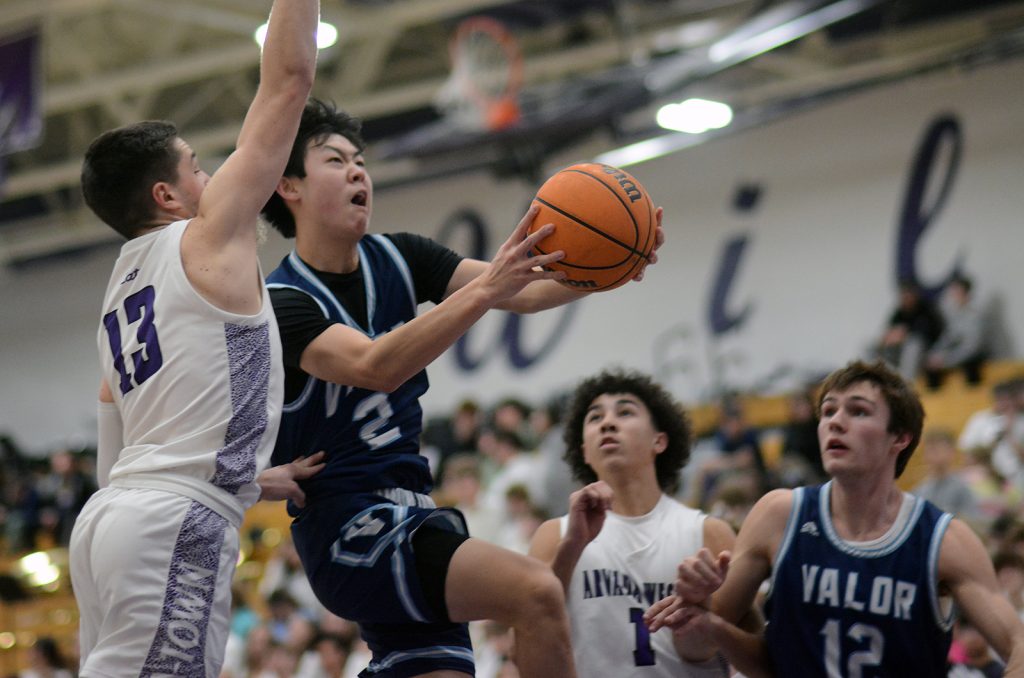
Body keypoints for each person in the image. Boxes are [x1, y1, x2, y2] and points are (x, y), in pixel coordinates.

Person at [260, 97, 665, 677]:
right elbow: (376, 365)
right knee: (536, 592)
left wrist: (611, 267)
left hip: (415, 512)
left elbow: (522, 291)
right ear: (288, 186)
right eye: (334, 160)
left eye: (361, 161)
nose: (357, 172)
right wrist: (485, 290)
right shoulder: (282, 302)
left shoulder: (401, 255)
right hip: (350, 529)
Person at [68, 2, 325, 675]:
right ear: (167, 196)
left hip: (108, 524)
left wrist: (241, 479)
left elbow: (112, 457)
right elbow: (289, 81)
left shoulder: (118, 297)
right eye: (198, 167)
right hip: (166, 525)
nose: (214, 178)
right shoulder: (209, 232)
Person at [647, 359, 1024, 677]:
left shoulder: (943, 540)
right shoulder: (779, 514)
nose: (835, 422)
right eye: (828, 411)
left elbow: (1017, 643)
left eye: (858, 411)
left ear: (900, 438)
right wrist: (700, 612)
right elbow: (705, 648)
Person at [528, 369, 735, 677]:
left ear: (660, 440)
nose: (608, 423)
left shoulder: (709, 533)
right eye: (595, 418)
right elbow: (529, 634)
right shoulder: (553, 535)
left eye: (625, 412)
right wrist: (571, 547)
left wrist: (705, 611)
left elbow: (742, 650)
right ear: (583, 450)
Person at [923, 273, 988, 390]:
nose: (953, 295)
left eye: (956, 291)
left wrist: (946, 360)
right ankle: (936, 404)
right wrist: (935, 354)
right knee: (930, 367)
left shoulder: (976, 315)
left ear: (965, 292)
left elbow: (972, 348)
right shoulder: (954, 314)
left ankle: (973, 399)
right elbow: (947, 338)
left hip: (974, 354)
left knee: (971, 367)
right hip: (956, 352)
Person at [876, 279, 945, 381]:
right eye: (904, 295)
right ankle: (880, 382)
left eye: (909, 294)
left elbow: (928, 334)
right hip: (901, 351)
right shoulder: (899, 312)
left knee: (913, 344)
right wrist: (888, 337)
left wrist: (904, 335)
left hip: (927, 351)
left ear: (915, 295)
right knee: (871, 347)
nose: (906, 298)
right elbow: (890, 331)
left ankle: (906, 383)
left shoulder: (927, 309)